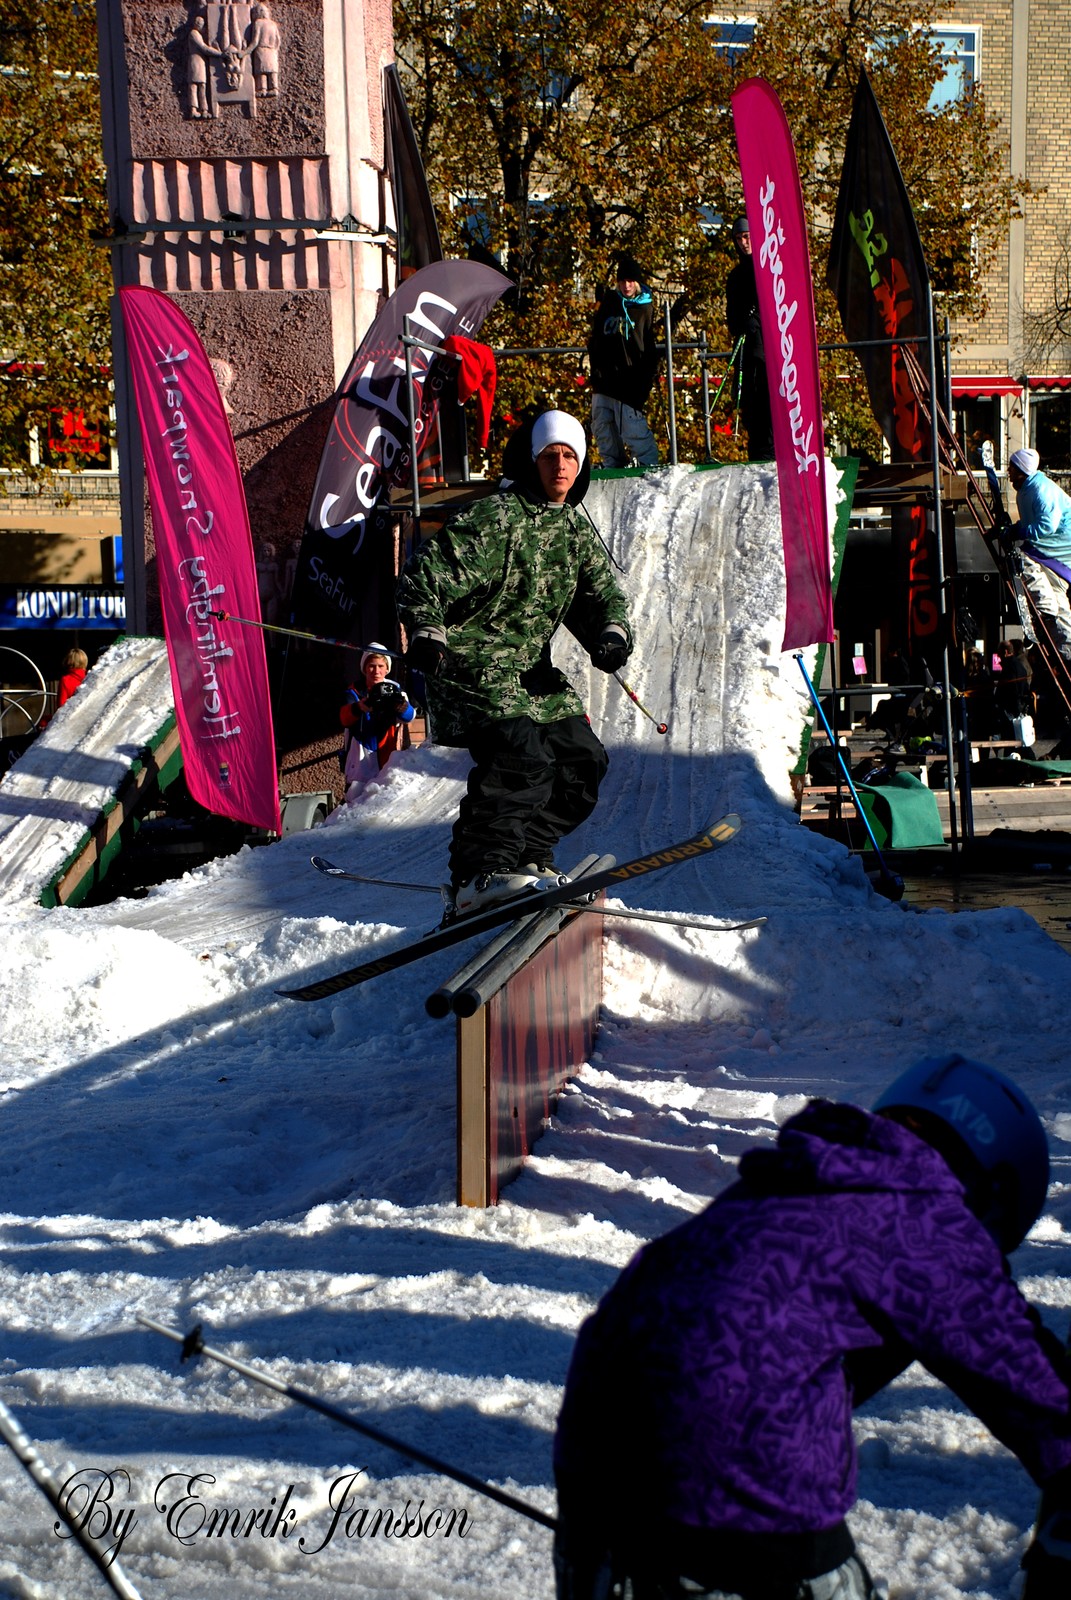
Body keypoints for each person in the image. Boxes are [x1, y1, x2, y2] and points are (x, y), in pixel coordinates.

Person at [553, 1054, 1070, 1600]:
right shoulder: (924, 1216)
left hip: (593, 1458)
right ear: (994, 1192)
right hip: (737, 1482)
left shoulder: (797, 1181)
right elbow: (1024, 1375)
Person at [396, 408, 632, 917]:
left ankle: (527, 856)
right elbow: (426, 574)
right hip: (470, 665)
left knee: (582, 759)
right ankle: (479, 873)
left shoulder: (574, 531)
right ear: (532, 460)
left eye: (570, 456)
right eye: (550, 456)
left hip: (529, 672)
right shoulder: (496, 518)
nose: (560, 466)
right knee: (522, 755)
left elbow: (602, 597)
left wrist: (611, 634)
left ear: (582, 465)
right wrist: (427, 630)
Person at [587, 255, 662, 469]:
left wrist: (645, 378)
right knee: (602, 425)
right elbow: (596, 337)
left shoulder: (644, 308)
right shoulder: (609, 303)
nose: (626, 286)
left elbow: (647, 345)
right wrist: (596, 367)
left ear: (636, 282)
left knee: (631, 426)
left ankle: (649, 464)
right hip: (604, 378)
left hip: (629, 379)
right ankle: (612, 464)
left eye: (630, 281)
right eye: (622, 281)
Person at [1005, 447, 1071, 663]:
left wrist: (1019, 532)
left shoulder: (1041, 489)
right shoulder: (1029, 488)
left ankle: (1045, 608)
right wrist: (1017, 528)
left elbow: (1046, 525)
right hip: (1055, 551)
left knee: (1022, 559)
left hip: (1056, 548)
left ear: (1022, 469)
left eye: (1012, 468)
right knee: (1059, 600)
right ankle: (1067, 652)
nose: (1008, 472)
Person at [725, 216, 774, 461]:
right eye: (739, 239)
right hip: (748, 346)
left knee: (768, 400)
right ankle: (757, 452)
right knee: (750, 403)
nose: (744, 243)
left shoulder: (768, 268)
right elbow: (731, 317)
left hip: (769, 348)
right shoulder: (735, 276)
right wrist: (744, 322)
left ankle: (770, 451)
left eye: (747, 237)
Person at [339, 644, 414, 787]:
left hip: (388, 760)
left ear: (387, 669)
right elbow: (344, 719)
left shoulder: (395, 690)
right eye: (372, 666)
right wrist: (359, 707)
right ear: (364, 668)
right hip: (359, 766)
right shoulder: (354, 692)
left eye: (381, 666)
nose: (376, 671)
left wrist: (402, 708)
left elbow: (410, 717)